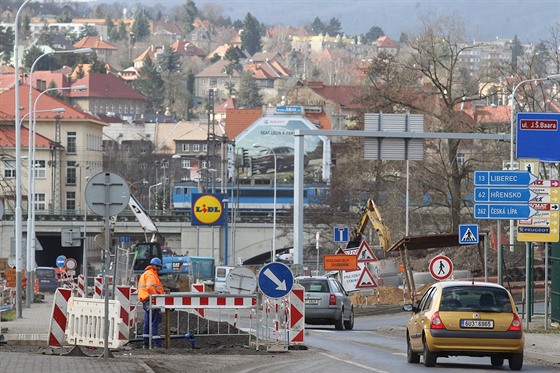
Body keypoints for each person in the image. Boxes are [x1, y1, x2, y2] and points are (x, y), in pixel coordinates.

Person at [138, 257, 164, 348]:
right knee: (154, 321)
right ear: (153, 265)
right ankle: (157, 343)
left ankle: (146, 343)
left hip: (146, 300)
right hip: (151, 301)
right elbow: (149, 288)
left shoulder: (146, 273)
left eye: (159, 266)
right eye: (157, 266)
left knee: (148, 322)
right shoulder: (151, 275)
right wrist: (155, 298)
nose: (159, 268)